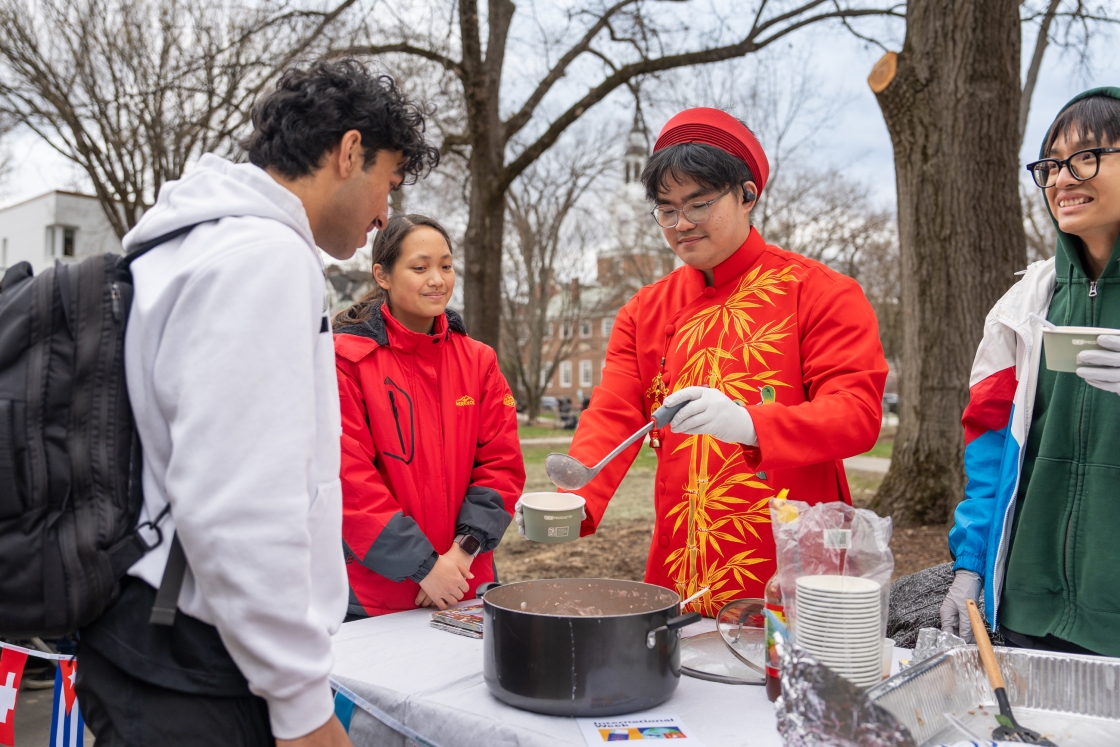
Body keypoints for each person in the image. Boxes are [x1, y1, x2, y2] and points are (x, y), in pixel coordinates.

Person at [76, 59, 439, 746]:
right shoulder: (262, 257)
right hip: (198, 659)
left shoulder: (193, 239)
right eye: (388, 184)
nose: (384, 214)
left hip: (148, 634)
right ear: (349, 152)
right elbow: (238, 503)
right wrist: (302, 706)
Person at [527, 108, 888, 616]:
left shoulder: (819, 292)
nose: (681, 225)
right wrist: (574, 497)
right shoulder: (644, 310)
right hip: (681, 558)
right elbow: (614, 413)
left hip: (790, 559)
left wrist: (750, 424)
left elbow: (856, 414)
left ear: (746, 194)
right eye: (666, 210)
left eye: (698, 204)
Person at [942, 88, 1120, 656]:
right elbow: (990, 447)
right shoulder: (1024, 303)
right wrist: (970, 565)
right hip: (1027, 605)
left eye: (1087, 157)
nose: (1063, 178)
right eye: (1051, 165)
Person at [333, 214, 524, 617]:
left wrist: (460, 554)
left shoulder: (478, 360)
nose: (437, 279)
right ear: (382, 275)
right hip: (376, 591)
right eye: (420, 268)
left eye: (446, 266)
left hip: (465, 581)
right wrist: (423, 567)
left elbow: (501, 466)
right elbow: (349, 481)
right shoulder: (346, 361)